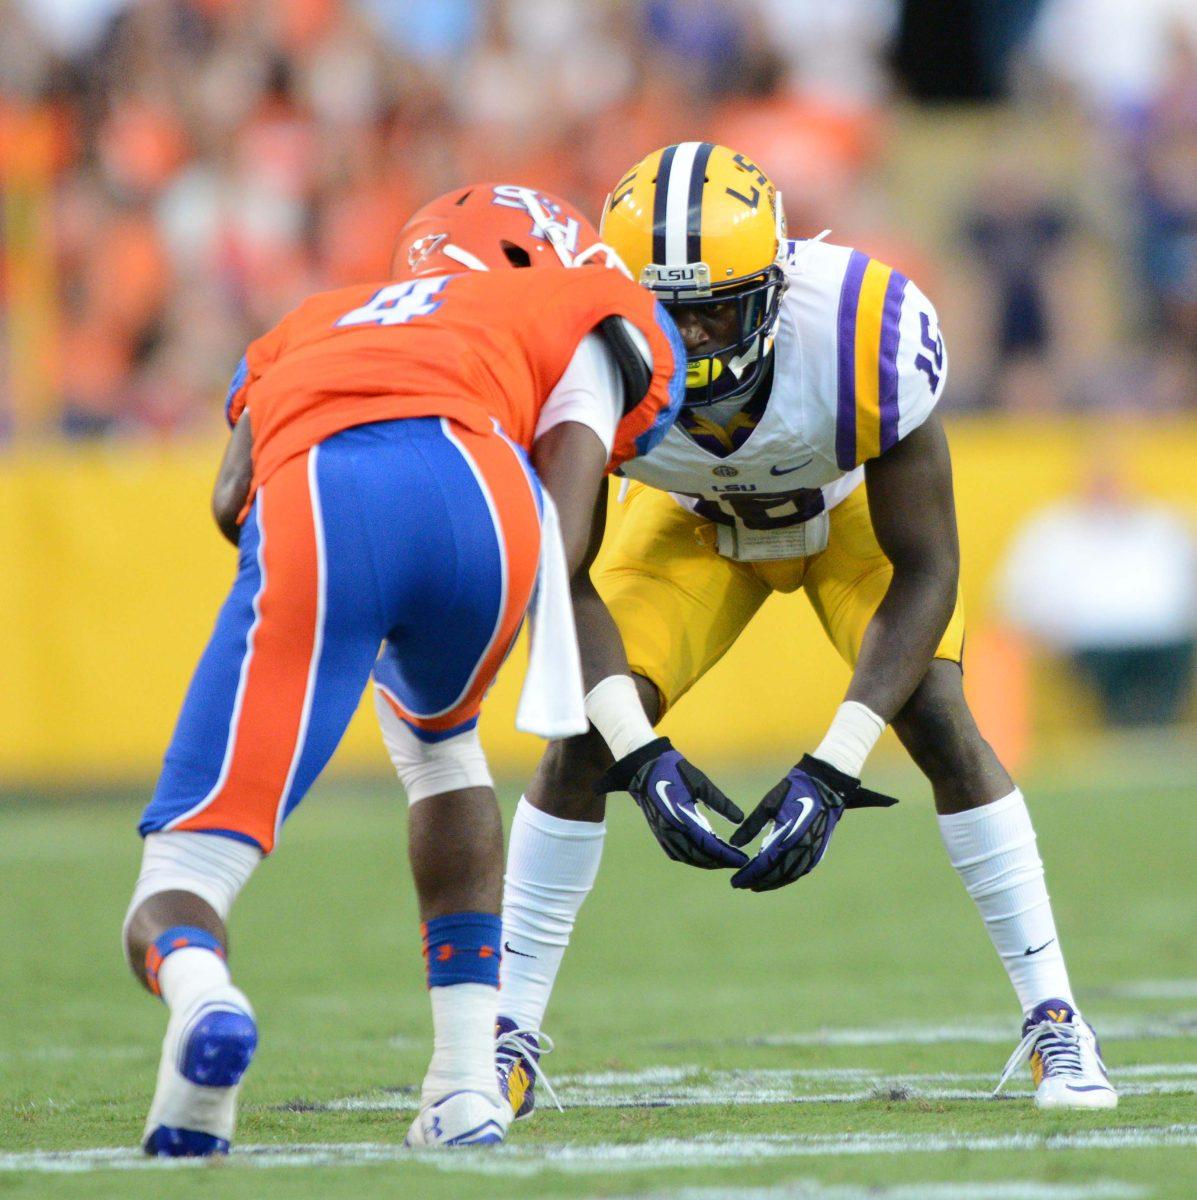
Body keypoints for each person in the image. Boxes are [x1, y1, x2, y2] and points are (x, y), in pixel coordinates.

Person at [494, 143, 1117, 1118]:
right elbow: (557, 573)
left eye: (716, 307)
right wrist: (642, 752)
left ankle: (1058, 1021)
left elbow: (929, 569)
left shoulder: (862, 331)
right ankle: (506, 1038)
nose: (695, 342)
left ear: (776, 287)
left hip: (848, 520)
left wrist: (833, 765)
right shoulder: (581, 355)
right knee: (582, 739)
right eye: (668, 312)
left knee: (942, 718)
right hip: (688, 532)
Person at [121, 182, 699, 1155]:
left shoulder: (316, 315)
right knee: (441, 750)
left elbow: (232, 498)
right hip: (488, 505)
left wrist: (329, 595)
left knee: (184, 863)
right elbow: (563, 524)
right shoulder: (584, 302)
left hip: (326, 497)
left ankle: (202, 994)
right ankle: (465, 1086)